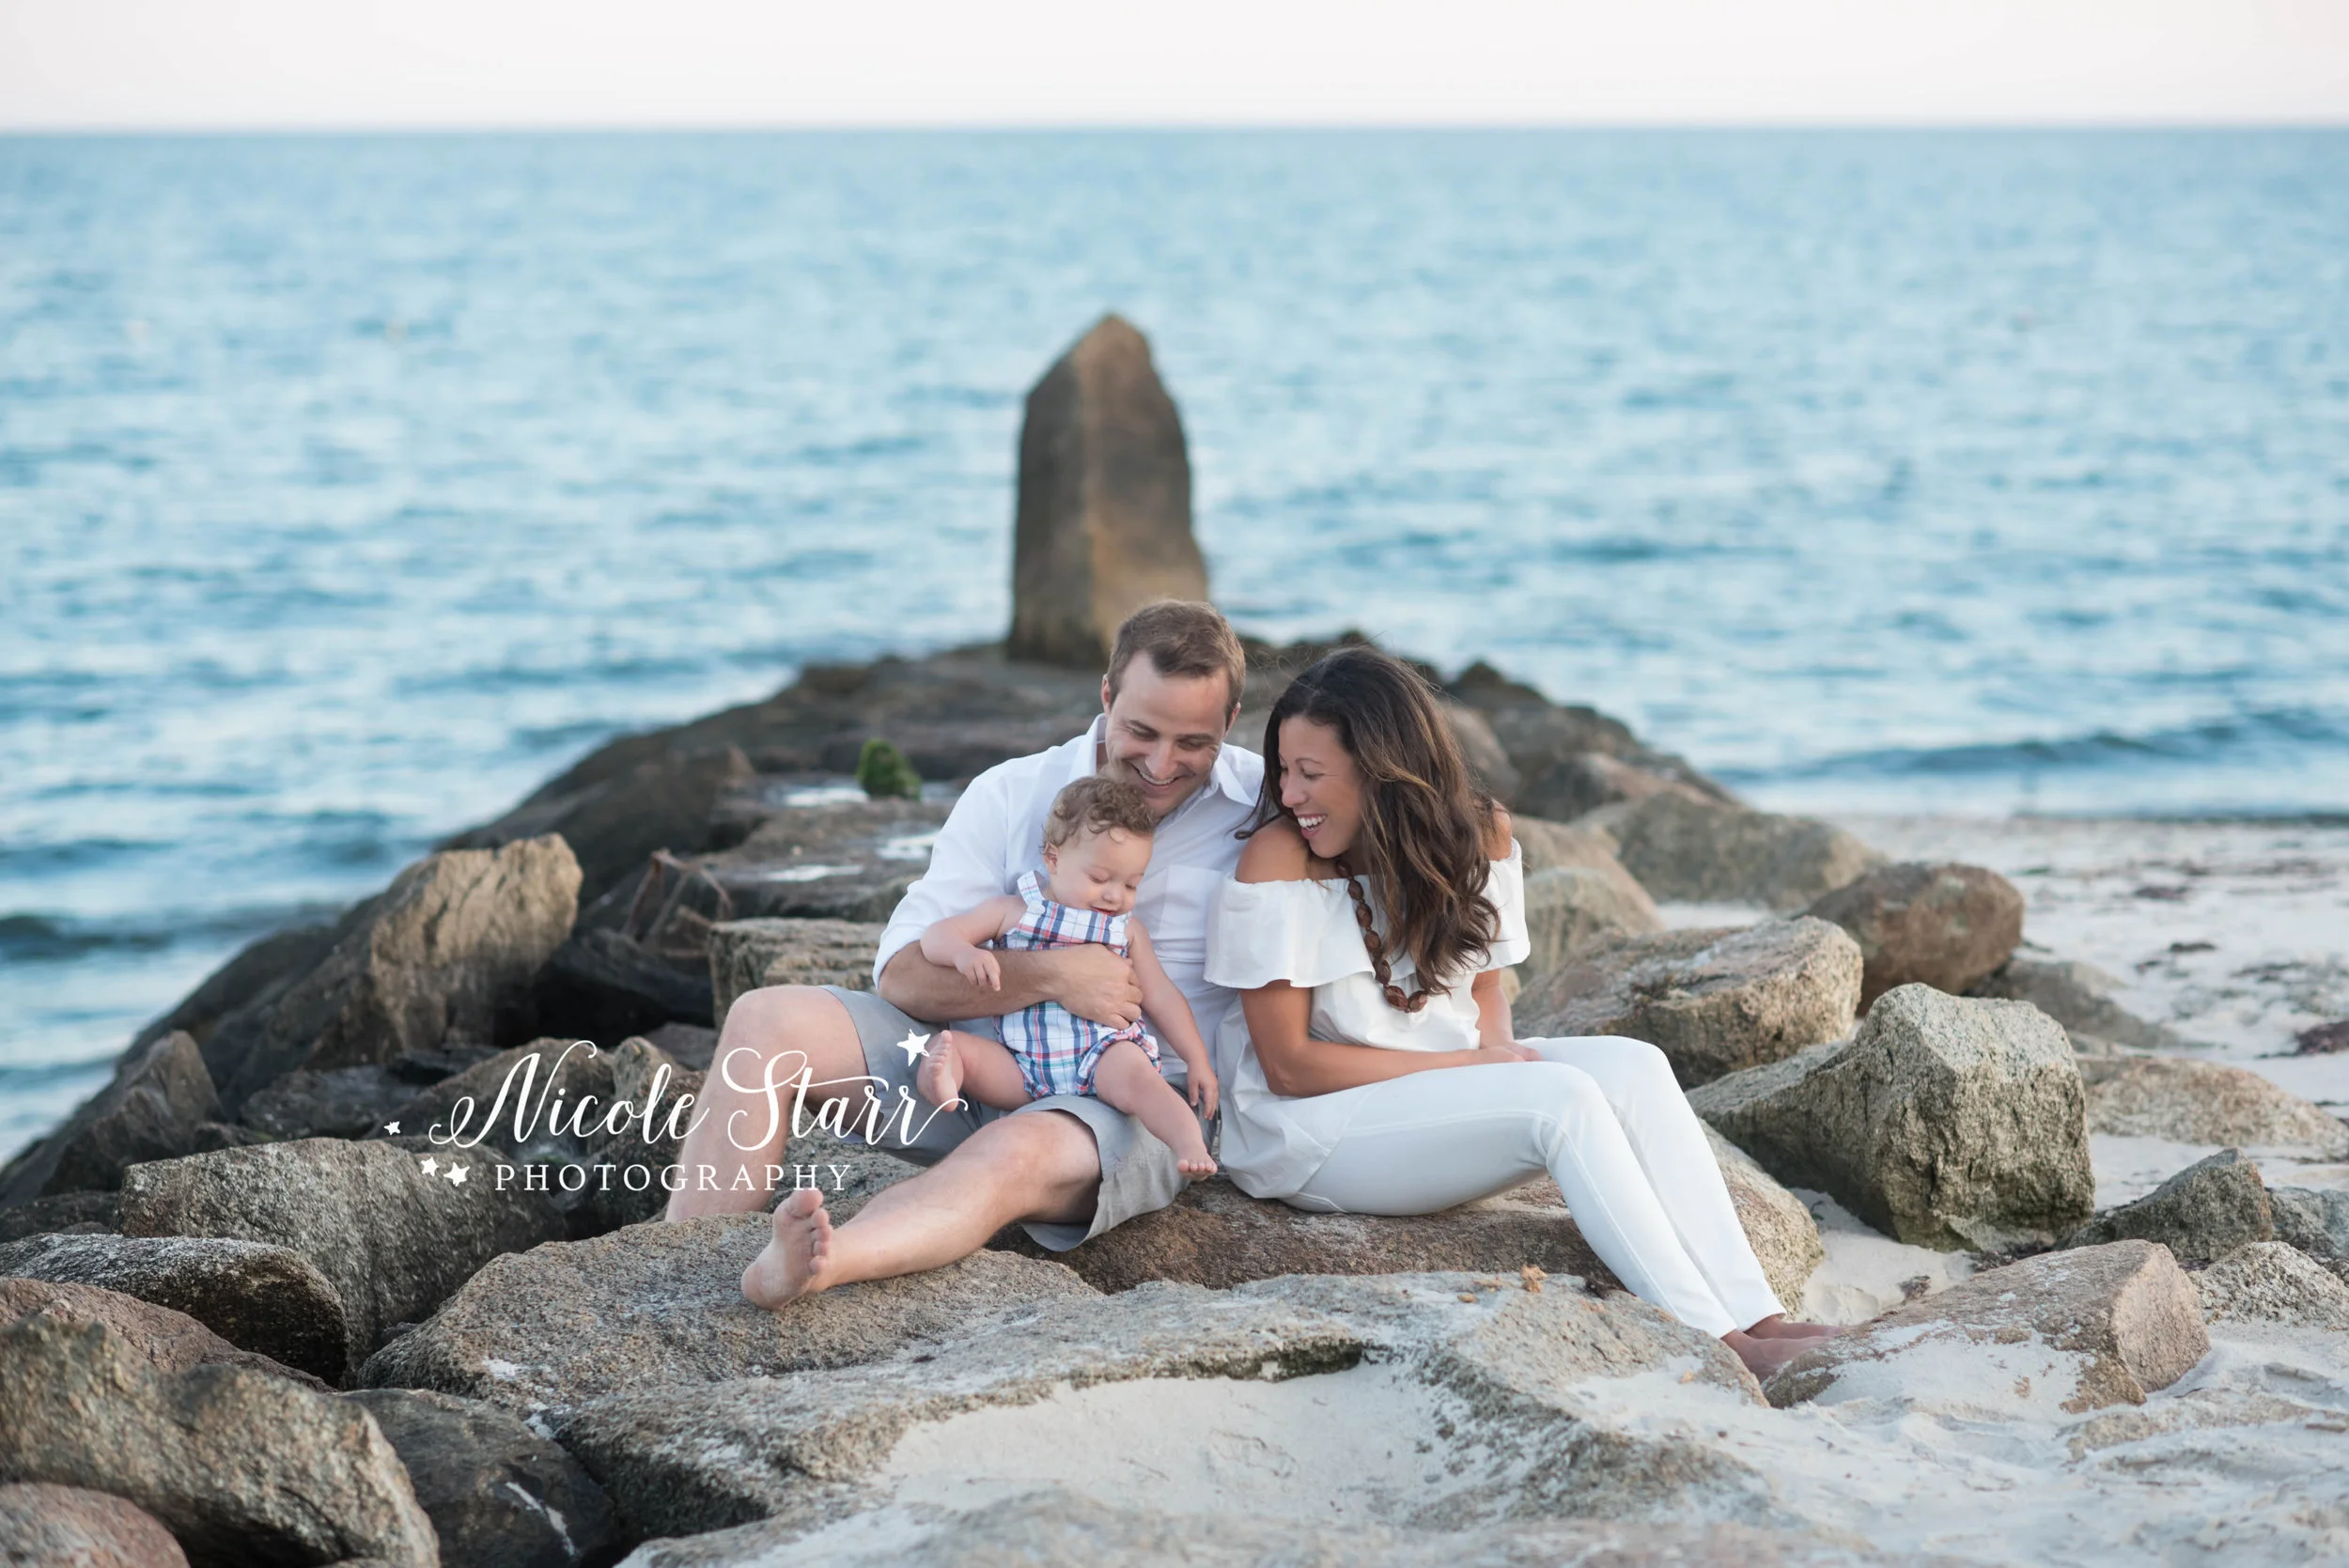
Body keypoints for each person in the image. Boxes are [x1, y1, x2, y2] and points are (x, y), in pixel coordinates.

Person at [1204, 645, 1844, 1381]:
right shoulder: (1280, 859)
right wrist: (1475, 1068)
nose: (1289, 794)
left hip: (1433, 1084)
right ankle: (1719, 1342)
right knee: (1560, 1101)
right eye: (1283, 769)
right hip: (1310, 1127)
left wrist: (1494, 1054)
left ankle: (1758, 1313)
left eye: (1311, 774)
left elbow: (1485, 994)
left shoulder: (1479, 832)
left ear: (1383, 770)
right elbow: (1288, 1067)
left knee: (1637, 1064)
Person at [662, 600, 1261, 1312]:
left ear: (1229, 723)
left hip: (1131, 1103)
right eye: (1141, 731)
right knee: (764, 1022)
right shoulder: (1012, 794)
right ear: (1105, 697)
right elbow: (904, 974)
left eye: (1192, 741)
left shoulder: (1263, 810)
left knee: (1016, 1151)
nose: (1162, 765)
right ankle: (680, 1270)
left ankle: (818, 1263)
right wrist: (1055, 976)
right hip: (974, 1068)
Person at [914, 774, 1220, 1175]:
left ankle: (1187, 1141)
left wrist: (1198, 1059)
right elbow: (937, 936)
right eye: (1099, 878)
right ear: (1053, 859)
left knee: (1142, 1083)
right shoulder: (1013, 911)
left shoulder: (1125, 929)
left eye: (1131, 884)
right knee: (957, 1047)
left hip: (1104, 1054)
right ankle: (942, 1082)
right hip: (1021, 1064)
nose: (1115, 895)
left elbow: (1161, 996)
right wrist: (962, 952)